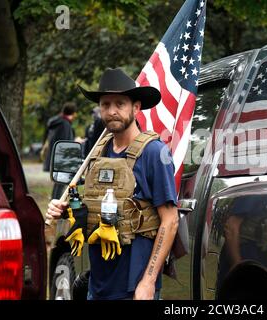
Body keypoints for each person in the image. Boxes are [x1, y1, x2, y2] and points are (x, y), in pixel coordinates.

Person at [46, 68, 179, 300]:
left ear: (136, 108)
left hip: (134, 287)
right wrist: (64, 210)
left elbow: (170, 220)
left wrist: (148, 282)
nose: (112, 111)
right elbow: (91, 209)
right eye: (105, 104)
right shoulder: (97, 153)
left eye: (120, 104)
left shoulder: (154, 154)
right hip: (97, 286)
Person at [42, 102, 77, 199]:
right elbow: (66, 143)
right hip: (62, 159)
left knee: (58, 183)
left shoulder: (57, 122)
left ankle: (54, 199)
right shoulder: (65, 124)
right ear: (73, 113)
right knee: (60, 183)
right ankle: (56, 201)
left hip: (56, 157)